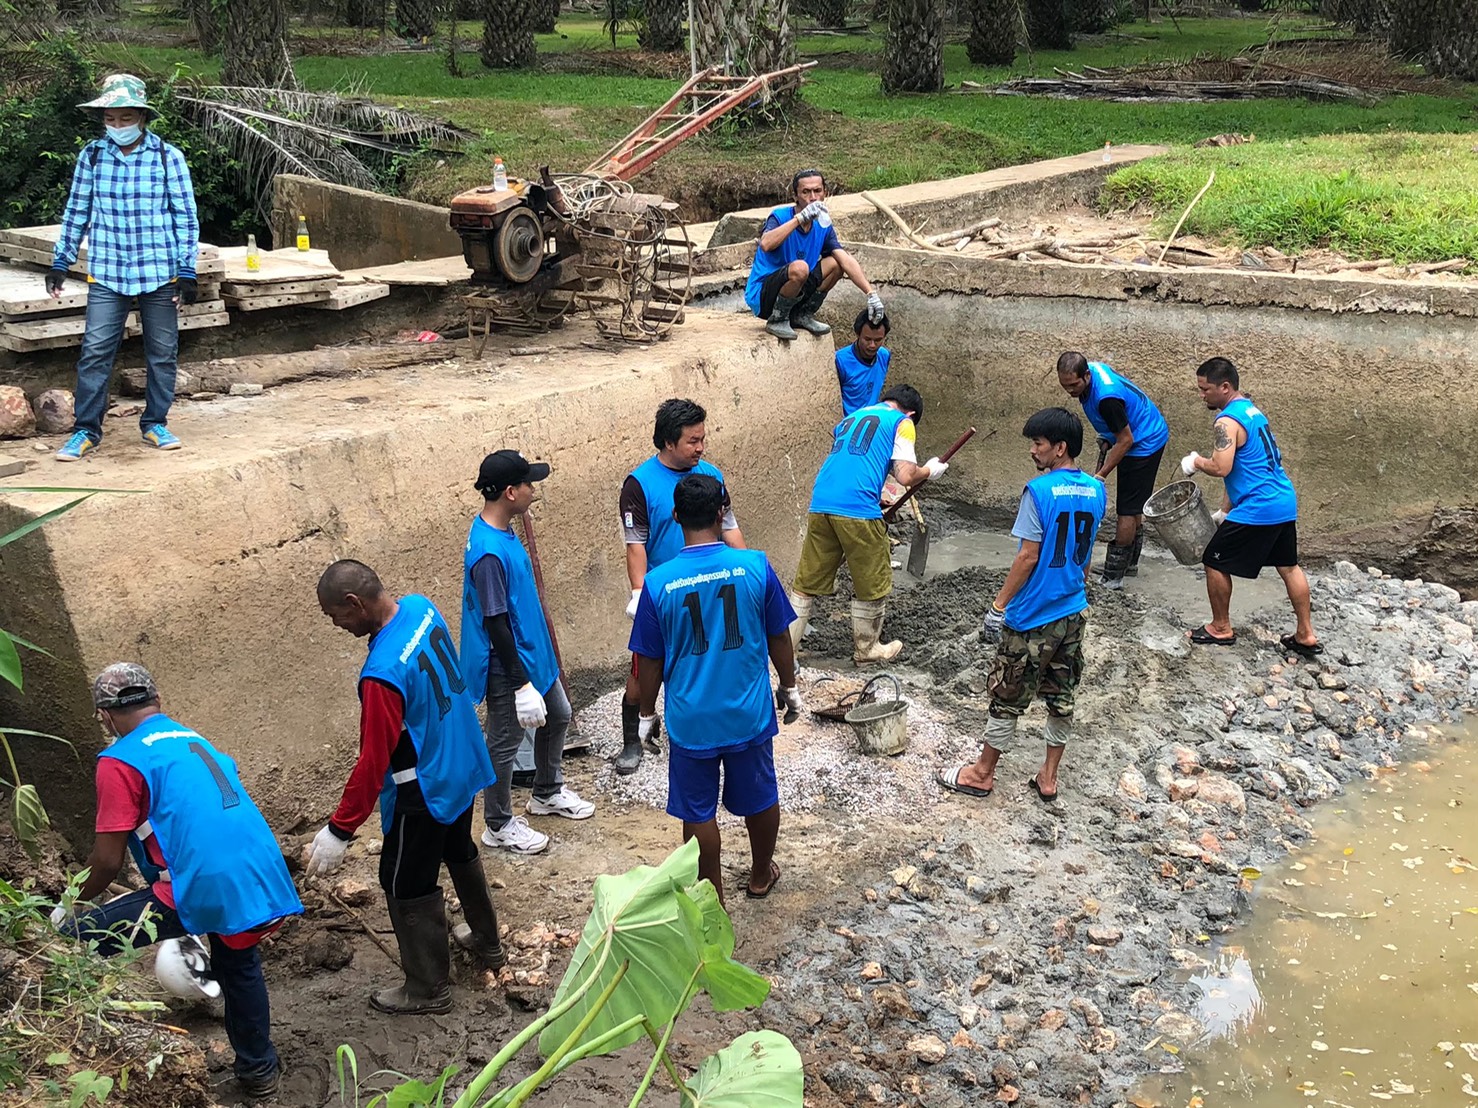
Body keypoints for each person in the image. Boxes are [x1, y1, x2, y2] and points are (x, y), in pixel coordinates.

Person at [52, 663, 301, 1099]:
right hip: (260, 868)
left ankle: (81, 1055)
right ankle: (259, 1072)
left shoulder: (118, 760)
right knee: (238, 963)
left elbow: (107, 863)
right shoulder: (192, 738)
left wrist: (66, 903)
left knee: (75, 941)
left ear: (105, 717)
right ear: (158, 702)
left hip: (202, 881)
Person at [308, 560, 506, 1015]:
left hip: (424, 787)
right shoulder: (420, 608)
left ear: (354, 604)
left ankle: (427, 989)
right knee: (459, 850)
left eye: (335, 615)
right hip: (460, 762)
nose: (337, 625)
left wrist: (340, 829)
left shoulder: (380, 675)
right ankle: (486, 942)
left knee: (402, 881)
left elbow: (373, 760)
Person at [628, 474, 801, 906]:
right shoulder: (755, 566)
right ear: (722, 512)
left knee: (698, 811)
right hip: (748, 712)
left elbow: (649, 662)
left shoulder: (658, 583)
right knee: (761, 796)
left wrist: (647, 714)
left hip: (691, 721)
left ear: (675, 516)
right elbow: (779, 635)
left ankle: (714, 899)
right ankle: (761, 874)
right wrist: (789, 685)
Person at [937, 408, 1106, 803]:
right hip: (1073, 611)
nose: (1032, 451)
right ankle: (1048, 778)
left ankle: (981, 774)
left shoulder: (1039, 491)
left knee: (1006, 694)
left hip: (1033, 615)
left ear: (1060, 448)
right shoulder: (1097, 490)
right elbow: (1083, 557)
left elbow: (1027, 557)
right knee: (1062, 696)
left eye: (1038, 444)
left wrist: (998, 606)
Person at [48, 73, 200, 462]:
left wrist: (187, 270)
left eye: (125, 118)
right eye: (110, 120)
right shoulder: (92, 156)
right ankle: (85, 430)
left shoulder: (168, 157)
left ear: (142, 118)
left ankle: (155, 423)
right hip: (108, 270)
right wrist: (61, 261)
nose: (117, 126)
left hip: (159, 271)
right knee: (96, 350)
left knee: (162, 351)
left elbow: (185, 217)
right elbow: (76, 211)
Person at [461, 450, 594, 857]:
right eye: (529, 485)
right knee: (503, 743)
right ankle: (498, 824)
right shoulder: (487, 553)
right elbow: (495, 622)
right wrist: (520, 685)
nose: (534, 492)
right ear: (510, 492)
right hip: (509, 665)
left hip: (534, 654)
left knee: (559, 714)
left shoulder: (502, 530)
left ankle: (546, 792)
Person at [617, 399, 744, 774]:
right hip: (665, 594)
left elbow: (731, 528)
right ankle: (632, 739)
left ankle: (702, 732)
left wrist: (748, 568)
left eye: (703, 438)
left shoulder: (711, 477)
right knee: (644, 670)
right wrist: (640, 594)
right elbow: (636, 544)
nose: (701, 448)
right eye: (693, 441)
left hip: (709, 587)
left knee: (706, 662)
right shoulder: (639, 484)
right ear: (669, 443)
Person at [786, 384, 948, 663]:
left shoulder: (853, 417)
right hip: (857, 509)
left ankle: (786, 650)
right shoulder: (903, 422)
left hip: (822, 502)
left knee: (805, 582)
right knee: (873, 578)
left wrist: (878, 496)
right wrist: (930, 471)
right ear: (910, 412)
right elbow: (906, 475)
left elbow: (855, 464)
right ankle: (867, 648)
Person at [1183, 357, 1321, 656]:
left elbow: (1221, 467)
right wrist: (1225, 510)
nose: (1201, 395)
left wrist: (1195, 462)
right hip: (1283, 500)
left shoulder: (1226, 421)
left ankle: (1220, 628)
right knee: (1288, 566)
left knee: (1214, 560)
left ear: (1225, 387)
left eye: (1205, 389)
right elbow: (1246, 468)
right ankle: (1305, 634)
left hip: (1260, 506)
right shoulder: (1252, 411)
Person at [1055, 352, 1169, 588]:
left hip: (1144, 441)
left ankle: (1114, 575)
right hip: (1139, 432)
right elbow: (1119, 427)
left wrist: (1100, 475)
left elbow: (1126, 440)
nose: (1070, 391)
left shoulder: (1106, 398)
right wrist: (1108, 435)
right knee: (1133, 502)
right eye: (1065, 386)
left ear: (1087, 375)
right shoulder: (1093, 371)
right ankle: (1130, 564)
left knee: (1127, 509)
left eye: (1074, 385)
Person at [744, 167, 885, 342]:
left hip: (797, 292)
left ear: (825, 193)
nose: (812, 197)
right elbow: (765, 244)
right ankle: (778, 318)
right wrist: (799, 219)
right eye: (806, 192)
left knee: (835, 263)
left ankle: (802, 314)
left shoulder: (822, 225)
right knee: (800, 267)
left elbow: (845, 258)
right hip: (764, 295)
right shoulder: (779, 217)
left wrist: (871, 294)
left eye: (817, 191)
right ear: (795, 196)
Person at [836, 310, 892, 416]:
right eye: (867, 339)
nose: (872, 345)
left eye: (878, 340)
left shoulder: (884, 356)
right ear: (858, 334)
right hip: (848, 426)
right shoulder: (841, 360)